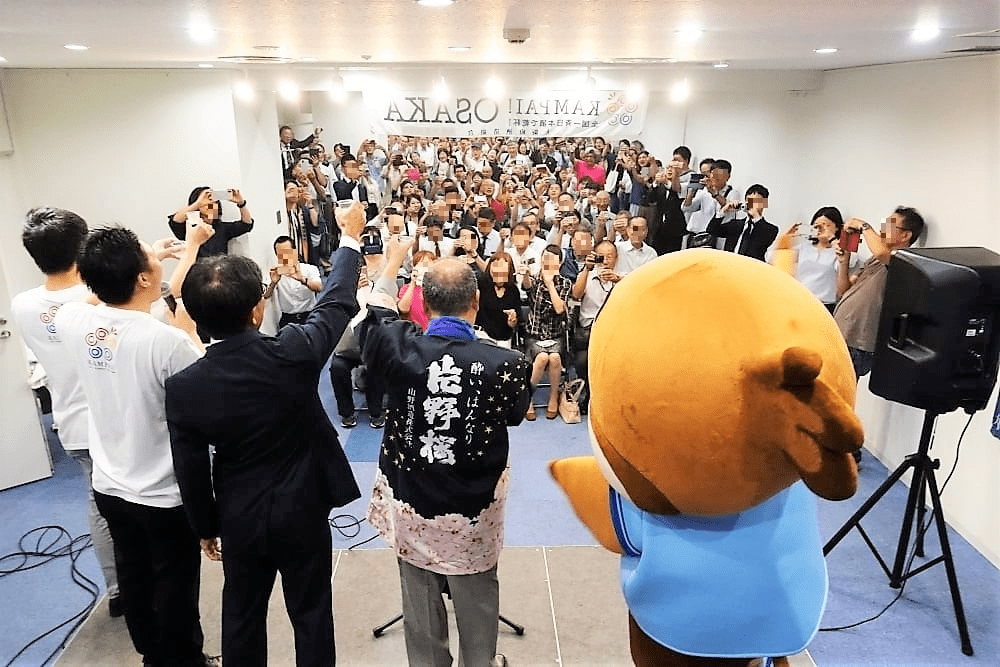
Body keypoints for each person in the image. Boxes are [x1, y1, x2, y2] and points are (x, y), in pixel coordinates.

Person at [165, 202, 367, 667]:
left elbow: (189, 467)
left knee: (241, 615)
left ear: (195, 318)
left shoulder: (184, 387)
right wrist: (350, 238)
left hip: (239, 513)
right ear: (258, 311)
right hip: (303, 507)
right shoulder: (293, 351)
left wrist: (205, 527)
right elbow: (336, 301)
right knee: (312, 613)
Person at [53, 223, 215, 667]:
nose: (156, 257)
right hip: (162, 494)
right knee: (176, 587)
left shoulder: (74, 321)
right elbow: (206, 393)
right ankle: (185, 661)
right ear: (143, 277)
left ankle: (151, 656)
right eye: (150, 255)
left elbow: (95, 299)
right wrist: (186, 325)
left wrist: (135, 268)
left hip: (110, 485)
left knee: (135, 577)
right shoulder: (167, 342)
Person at [359, 252, 532, 667]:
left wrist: (393, 262)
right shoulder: (507, 364)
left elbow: (375, 314)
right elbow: (514, 415)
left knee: (419, 603)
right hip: (472, 511)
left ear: (424, 301)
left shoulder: (396, 347)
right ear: (476, 301)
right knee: (477, 602)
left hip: (413, 503)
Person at [10, 207, 121, 617]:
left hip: (72, 425)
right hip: (117, 422)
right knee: (141, 505)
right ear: (82, 248)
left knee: (99, 506)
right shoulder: (98, 298)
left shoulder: (22, 304)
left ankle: (118, 590)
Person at [833, 206, 925, 381]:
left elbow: (882, 251)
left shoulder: (904, 261)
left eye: (889, 226)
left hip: (858, 342)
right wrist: (844, 262)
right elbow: (843, 291)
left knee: (839, 389)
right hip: (841, 332)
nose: (882, 229)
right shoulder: (875, 259)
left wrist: (863, 225)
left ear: (905, 235)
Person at [522, 244, 574, 420]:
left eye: (552, 259)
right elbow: (526, 286)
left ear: (560, 263)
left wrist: (550, 284)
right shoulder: (534, 279)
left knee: (555, 358)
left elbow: (559, 309)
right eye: (545, 258)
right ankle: (527, 397)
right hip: (534, 335)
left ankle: (553, 397)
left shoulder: (565, 283)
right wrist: (526, 274)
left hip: (555, 336)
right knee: (543, 357)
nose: (547, 262)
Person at [772, 206, 855, 312]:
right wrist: (785, 238)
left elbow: (843, 290)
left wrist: (832, 239)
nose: (821, 229)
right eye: (817, 226)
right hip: (799, 302)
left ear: (837, 227)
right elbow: (775, 259)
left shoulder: (840, 251)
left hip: (824, 306)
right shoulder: (804, 248)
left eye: (826, 225)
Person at [570, 239, 621, 414]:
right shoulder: (587, 275)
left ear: (616, 258)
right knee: (582, 362)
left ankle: (608, 397)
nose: (605, 260)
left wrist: (617, 280)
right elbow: (576, 295)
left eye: (610, 256)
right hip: (588, 333)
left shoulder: (622, 278)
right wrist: (587, 268)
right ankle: (590, 395)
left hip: (613, 332)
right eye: (601, 256)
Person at [168, 186, 254, 258]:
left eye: (213, 201)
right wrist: (198, 203)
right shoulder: (191, 228)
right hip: (196, 271)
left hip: (219, 270)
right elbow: (175, 221)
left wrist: (241, 204)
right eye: (206, 202)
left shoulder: (222, 228)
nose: (210, 205)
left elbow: (247, 224)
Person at [706, 183, 779, 261]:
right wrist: (723, 211)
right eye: (749, 201)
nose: (751, 204)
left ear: (764, 204)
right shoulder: (735, 224)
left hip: (751, 266)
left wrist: (756, 217)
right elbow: (712, 230)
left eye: (756, 201)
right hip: (730, 264)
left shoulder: (770, 229)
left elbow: (762, 242)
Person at [263, 235, 323, 328]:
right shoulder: (276, 272)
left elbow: (319, 287)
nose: (285, 257)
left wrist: (303, 280)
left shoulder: (309, 269)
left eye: (287, 252)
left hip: (308, 316)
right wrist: (273, 283)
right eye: (280, 254)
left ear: (294, 251)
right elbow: (266, 295)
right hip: (287, 319)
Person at [476, 252, 521, 347]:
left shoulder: (513, 290)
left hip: (504, 337)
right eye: (495, 266)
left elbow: (515, 322)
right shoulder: (480, 284)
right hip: (481, 334)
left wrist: (512, 321)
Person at [399, 250, 436, 331]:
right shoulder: (406, 288)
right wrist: (413, 282)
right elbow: (403, 309)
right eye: (422, 264)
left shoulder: (438, 287)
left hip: (434, 331)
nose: (425, 267)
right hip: (415, 331)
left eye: (428, 264)